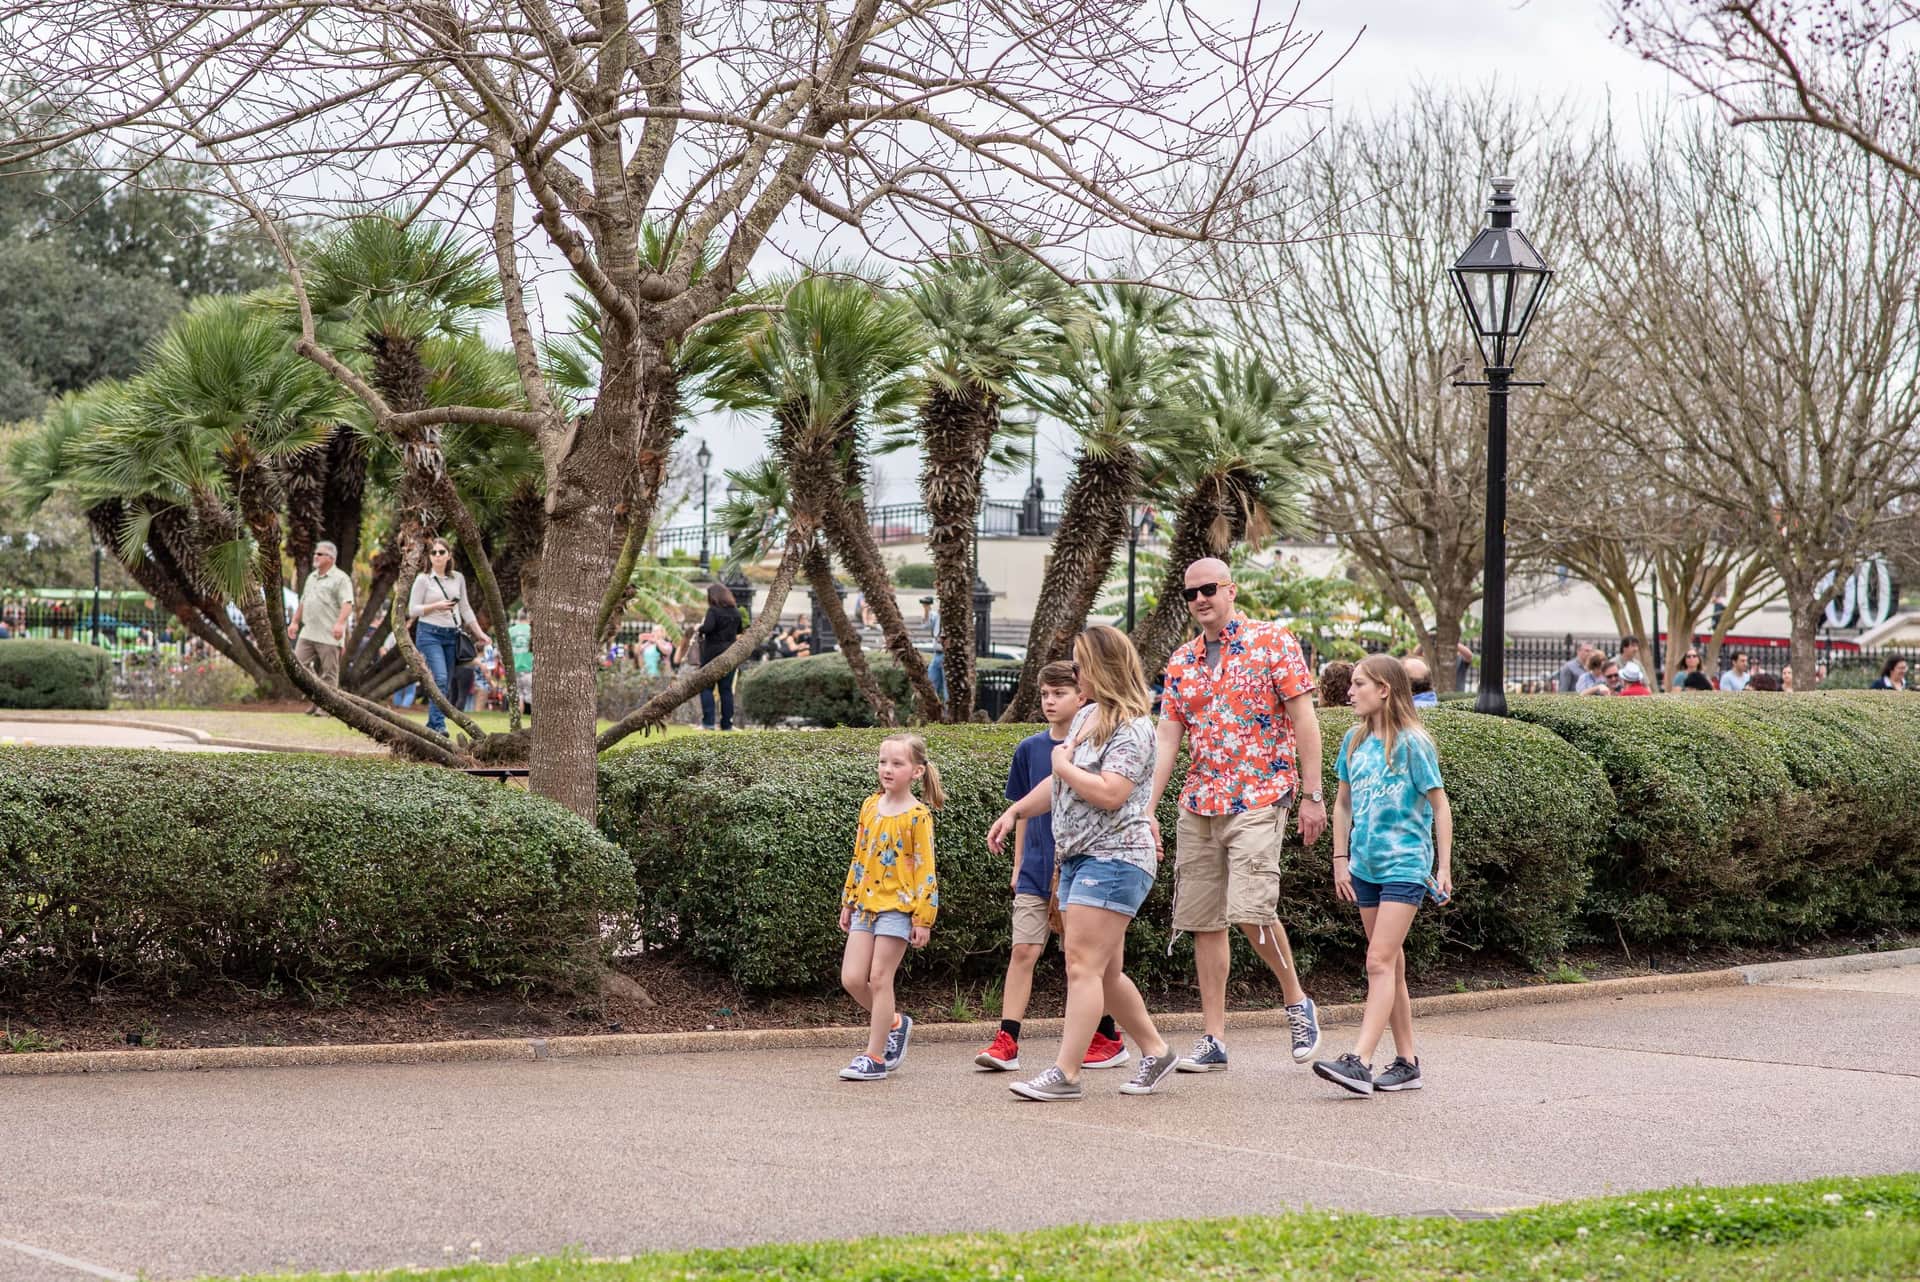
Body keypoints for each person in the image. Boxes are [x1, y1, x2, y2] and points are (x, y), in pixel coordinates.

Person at [988, 625, 1181, 1101]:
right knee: (1105, 973)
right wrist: (1015, 811)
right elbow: (1058, 787)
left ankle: (1065, 1073)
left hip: (1115, 857)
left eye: (1080, 663)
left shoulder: (1136, 727)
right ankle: (1155, 1051)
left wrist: (1064, 767)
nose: (1075, 672)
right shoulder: (1087, 718)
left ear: (1103, 667)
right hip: (1077, 858)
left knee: (1081, 965)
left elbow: (1112, 793)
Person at [1148, 556, 1324, 1073]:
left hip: (1261, 794)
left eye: (1208, 589)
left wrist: (1312, 796)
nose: (1199, 599)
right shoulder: (1181, 661)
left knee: (1251, 909)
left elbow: (1305, 721)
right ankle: (1214, 1036)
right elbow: (1167, 738)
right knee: (1204, 921)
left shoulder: (1274, 642)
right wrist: (1148, 809)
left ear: (1230, 589)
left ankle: (1296, 1001)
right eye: (1190, 593)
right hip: (1200, 801)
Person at [976, 661, 1128, 1074]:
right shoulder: (1029, 749)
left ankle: (1107, 1035)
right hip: (1036, 868)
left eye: (1058, 693)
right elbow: (1025, 809)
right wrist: (1019, 864)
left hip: (1083, 866)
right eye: (1044, 694)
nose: (1049, 701)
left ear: (1082, 697)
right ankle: (1007, 1038)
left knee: (1081, 961)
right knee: (1024, 949)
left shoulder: (1097, 744)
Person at [1311, 655, 1452, 1096]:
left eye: (1358, 684)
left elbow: (1439, 804)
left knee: (1378, 961)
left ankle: (1360, 1060)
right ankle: (1408, 1062)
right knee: (1391, 965)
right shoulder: (1353, 741)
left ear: (1384, 689)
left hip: (1405, 865)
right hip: (1365, 867)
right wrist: (1340, 858)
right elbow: (1342, 804)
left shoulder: (1413, 743)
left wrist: (1442, 866)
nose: (1349, 693)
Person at [836, 733, 943, 1082]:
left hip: (899, 907)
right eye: (883, 761)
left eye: (897, 763)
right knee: (853, 978)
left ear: (916, 771)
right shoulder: (870, 806)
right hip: (865, 905)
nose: (887, 769)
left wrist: (923, 918)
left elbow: (926, 868)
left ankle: (875, 1056)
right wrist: (848, 900)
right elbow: (860, 855)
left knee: (880, 978)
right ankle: (896, 1022)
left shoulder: (918, 815)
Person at [408, 538, 491, 734]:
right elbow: (413, 610)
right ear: (430, 557)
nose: (437, 555)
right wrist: (436, 606)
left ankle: (433, 724)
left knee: (446, 683)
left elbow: (465, 608)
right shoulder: (423, 579)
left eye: (441, 552)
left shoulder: (457, 578)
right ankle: (439, 726)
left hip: (451, 636)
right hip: (429, 634)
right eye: (434, 552)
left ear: (449, 555)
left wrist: (480, 634)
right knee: (441, 679)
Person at [286, 540, 355, 714]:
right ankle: (317, 699)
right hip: (308, 632)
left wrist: (340, 624)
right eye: (315, 553)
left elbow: (347, 603)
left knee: (329, 674)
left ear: (331, 558)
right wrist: (295, 621)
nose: (315, 556)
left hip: (329, 635)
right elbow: (303, 601)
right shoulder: (311, 577)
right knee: (296, 668)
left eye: (320, 554)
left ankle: (327, 707)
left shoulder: (341, 579)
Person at [696, 583, 744, 731]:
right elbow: (740, 630)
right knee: (726, 690)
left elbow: (708, 628)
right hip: (730, 655)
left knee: (706, 688)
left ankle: (709, 723)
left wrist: (699, 627)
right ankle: (727, 724)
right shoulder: (736, 612)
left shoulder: (713, 611)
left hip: (712, 654)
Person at [508, 610, 533, 713]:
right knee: (532, 695)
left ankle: (519, 718)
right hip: (530, 666)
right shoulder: (532, 630)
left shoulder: (510, 630)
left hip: (514, 666)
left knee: (519, 696)